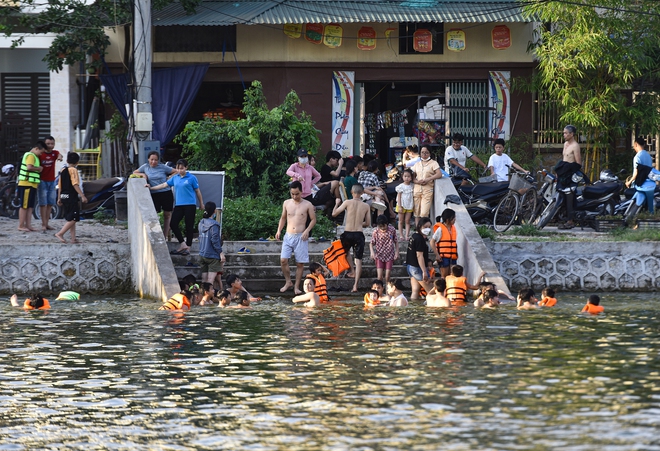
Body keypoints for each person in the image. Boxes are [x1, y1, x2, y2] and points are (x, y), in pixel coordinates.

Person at [147, 159, 203, 255]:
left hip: (190, 205)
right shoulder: (175, 178)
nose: (180, 170)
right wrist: (151, 188)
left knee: (189, 226)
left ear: (186, 167)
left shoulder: (192, 178)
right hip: (179, 205)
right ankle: (182, 244)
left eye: (182, 168)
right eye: (178, 168)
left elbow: (197, 191)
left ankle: (188, 247)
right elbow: (164, 185)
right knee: (173, 224)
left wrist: (201, 203)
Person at [276, 181, 316, 295]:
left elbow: (313, 219)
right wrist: (279, 230)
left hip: (300, 236)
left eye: (297, 194)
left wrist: (307, 231)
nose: (294, 196)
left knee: (300, 263)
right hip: (288, 235)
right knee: (283, 260)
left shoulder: (307, 204)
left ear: (301, 192)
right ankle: (288, 281)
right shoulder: (286, 203)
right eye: (292, 194)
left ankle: (297, 287)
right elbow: (283, 217)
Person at [332, 183, 372, 292]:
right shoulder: (366, 206)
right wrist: (360, 223)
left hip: (348, 233)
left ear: (352, 192)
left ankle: (352, 270)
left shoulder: (347, 202)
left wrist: (336, 203)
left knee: (346, 253)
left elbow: (334, 214)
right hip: (359, 234)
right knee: (358, 260)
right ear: (362, 193)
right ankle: (355, 286)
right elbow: (368, 223)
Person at [133, 151, 175, 238]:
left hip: (165, 192)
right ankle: (155, 234)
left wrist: (170, 178)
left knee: (167, 214)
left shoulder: (163, 167)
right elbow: (134, 172)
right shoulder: (145, 167)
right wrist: (143, 175)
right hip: (153, 193)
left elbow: (176, 171)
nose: (153, 162)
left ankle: (165, 234)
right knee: (153, 214)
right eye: (152, 159)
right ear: (148, 159)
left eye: (156, 160)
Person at [55, 152, 87, 244]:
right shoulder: (73, 170)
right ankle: (60, 233)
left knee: (70, 218)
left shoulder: (63, 170)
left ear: (67, 161)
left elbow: (59, 185)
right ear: (77, 162)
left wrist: (59, 198)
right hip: (71, 197)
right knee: (74, 218)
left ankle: (73, 239)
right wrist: (82, 195)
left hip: (64, 196)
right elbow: (75, 184)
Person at [555, 125, 582, 230]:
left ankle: (570, 221)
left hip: (570, 174)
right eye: (564, 133)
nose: (564, 135)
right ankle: (563, 217)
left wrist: (568, 170)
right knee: (561, 195)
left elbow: (578, 163)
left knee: (569, 197)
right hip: (562, 173)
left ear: (572, 134)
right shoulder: (565, 144)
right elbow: (563, 158)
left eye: (566, 133)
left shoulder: (575, 146)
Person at [17, 141, 45, 232]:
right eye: (41, 152)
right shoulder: (30, 156)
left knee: (30, 206)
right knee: (24, 206)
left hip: (32, 184)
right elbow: (29, 167)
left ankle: (28, 225)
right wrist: (39, 168)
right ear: (36, 148)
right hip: (26, 184)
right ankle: (21, 225)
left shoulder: (35, 156)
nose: (41, 154)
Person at [412, 145, 443, 225]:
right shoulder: (417, 164)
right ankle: (417, 231)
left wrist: (428, 179)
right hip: (417, 190)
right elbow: (412, 177)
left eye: (426, 153)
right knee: (416, 213)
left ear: (429, 153)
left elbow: (439, 174)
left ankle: (423, 230)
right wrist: (417, 181)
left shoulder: (433, 163)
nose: (424, 154)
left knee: (424, 213)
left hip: (427, 190)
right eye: (422, 152)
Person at [405, 217, 434, 300]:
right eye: (425, 227)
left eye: (429, 227)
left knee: (415, 291)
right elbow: (419, 255)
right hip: (417, 268)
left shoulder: (414, 236)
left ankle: (414, 308)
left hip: (410, 267)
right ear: (420, 226)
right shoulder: (419, 239)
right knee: (431, 291)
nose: (427, 229)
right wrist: (424, 271)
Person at [625, 137, 655, 216]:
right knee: (646, 206)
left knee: (636, 205)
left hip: (640, 184)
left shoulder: (637, 157)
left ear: (635, 144)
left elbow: (636, 174)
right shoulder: (648, 156)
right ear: (644, 145)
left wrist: (629, 182)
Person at [38, 135, 63, 232]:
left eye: (52, 144)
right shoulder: (40, 154)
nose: (50, 146)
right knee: (42, 203)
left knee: (50, 203)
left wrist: (60, 156)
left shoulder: (55, 153)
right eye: (48, 143)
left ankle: (47, 223)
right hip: (42, 181)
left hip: (52, 181)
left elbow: (59, 155)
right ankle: (43, 224)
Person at [198, 201, 225, 285]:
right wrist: (220, 253)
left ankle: (202, 296)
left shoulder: (201, 223)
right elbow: (215, 240)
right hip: (212, 256)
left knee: (204, 280)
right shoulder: (214, 225)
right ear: (214, 211)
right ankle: (208, 297)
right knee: (210, 281)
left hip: (202, 254)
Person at [369, 214, 399, 284]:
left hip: (390, 255)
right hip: (379, 255)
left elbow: (396, 241)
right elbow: (371, 243)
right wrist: (372, 252)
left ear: (387, 224)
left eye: (384, 226)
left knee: (387, 276)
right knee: (379, 277)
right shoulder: (375, 232)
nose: (382, 228)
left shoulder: (392, 230)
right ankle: (379, 291)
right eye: (380, 226)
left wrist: (397, 252)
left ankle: (387, 291)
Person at [430, 208, 457, 278]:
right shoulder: (440, 229)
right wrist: (437, 255)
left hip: (453, 257)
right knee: (444, 276)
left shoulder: (453, 228)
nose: (455, 219)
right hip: (443, 257)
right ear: (448, 220)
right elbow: (432, 241)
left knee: (452, 276)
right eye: (453, 218)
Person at [395, 168, 414, 239]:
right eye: (405, 176)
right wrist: (399, 206)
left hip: (409, 205)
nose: (406, 178)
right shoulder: (400, 186)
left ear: (411, 177)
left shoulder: (412, 186)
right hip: (401, 205)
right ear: (402, 177)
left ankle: (407, 235)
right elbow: (399, 196)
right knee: (400, 221)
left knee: (407, 221)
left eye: (408, 176)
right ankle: (401, 235)